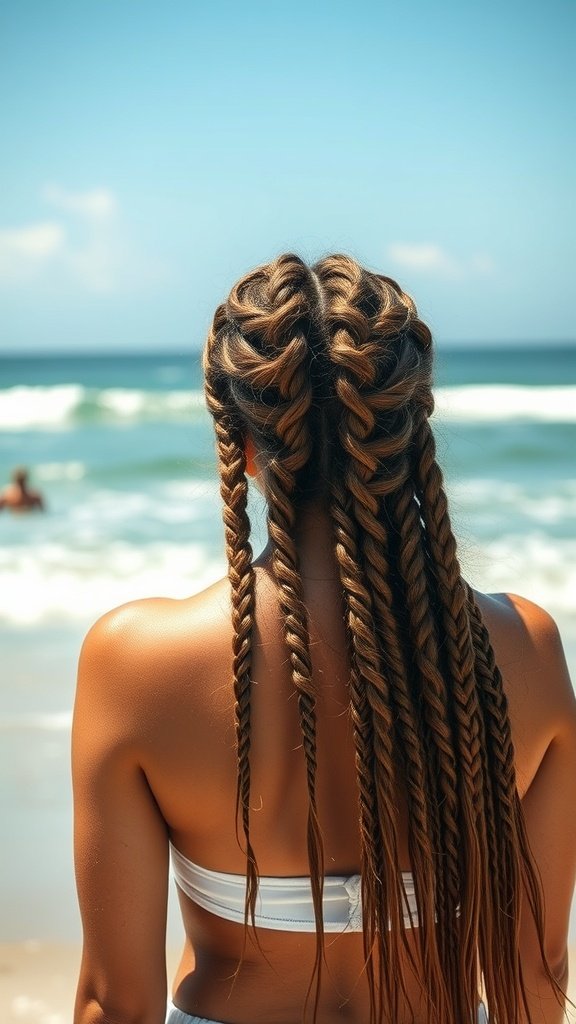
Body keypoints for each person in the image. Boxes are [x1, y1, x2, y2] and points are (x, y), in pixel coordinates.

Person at [72, 254, 576, 1024]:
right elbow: (536, 980)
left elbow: (117, 1004)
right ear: (408, 431)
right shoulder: (526, 651)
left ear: (239, 441)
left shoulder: (135, 663)